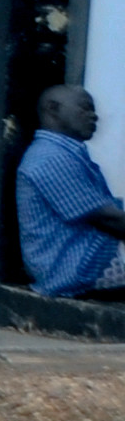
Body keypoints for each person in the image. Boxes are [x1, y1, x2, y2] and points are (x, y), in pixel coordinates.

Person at [16, 83, 125, 295]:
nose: (94, 116)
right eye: (85, 108)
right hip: (75, 272)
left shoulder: (63, 153)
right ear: (53, 108)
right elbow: (107, 218)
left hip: (83, 264)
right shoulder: (51, 157)